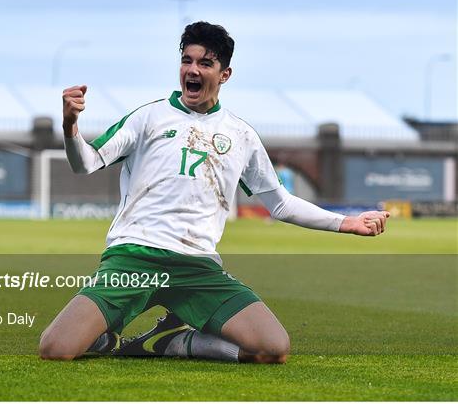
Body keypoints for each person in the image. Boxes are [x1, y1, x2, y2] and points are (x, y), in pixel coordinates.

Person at [39, 21, 389, 364]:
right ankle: (102, 337)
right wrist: (71, 125)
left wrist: (346, 222)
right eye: (187, 60)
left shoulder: (241, 135)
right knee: (55, 348)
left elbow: (280, 204)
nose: (193, 70)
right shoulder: (148, 117)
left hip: (198, 267)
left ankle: (169, 341)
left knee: (272, 348)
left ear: (225, 74)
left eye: (205, 63)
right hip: (134, 258)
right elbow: (85, 163)